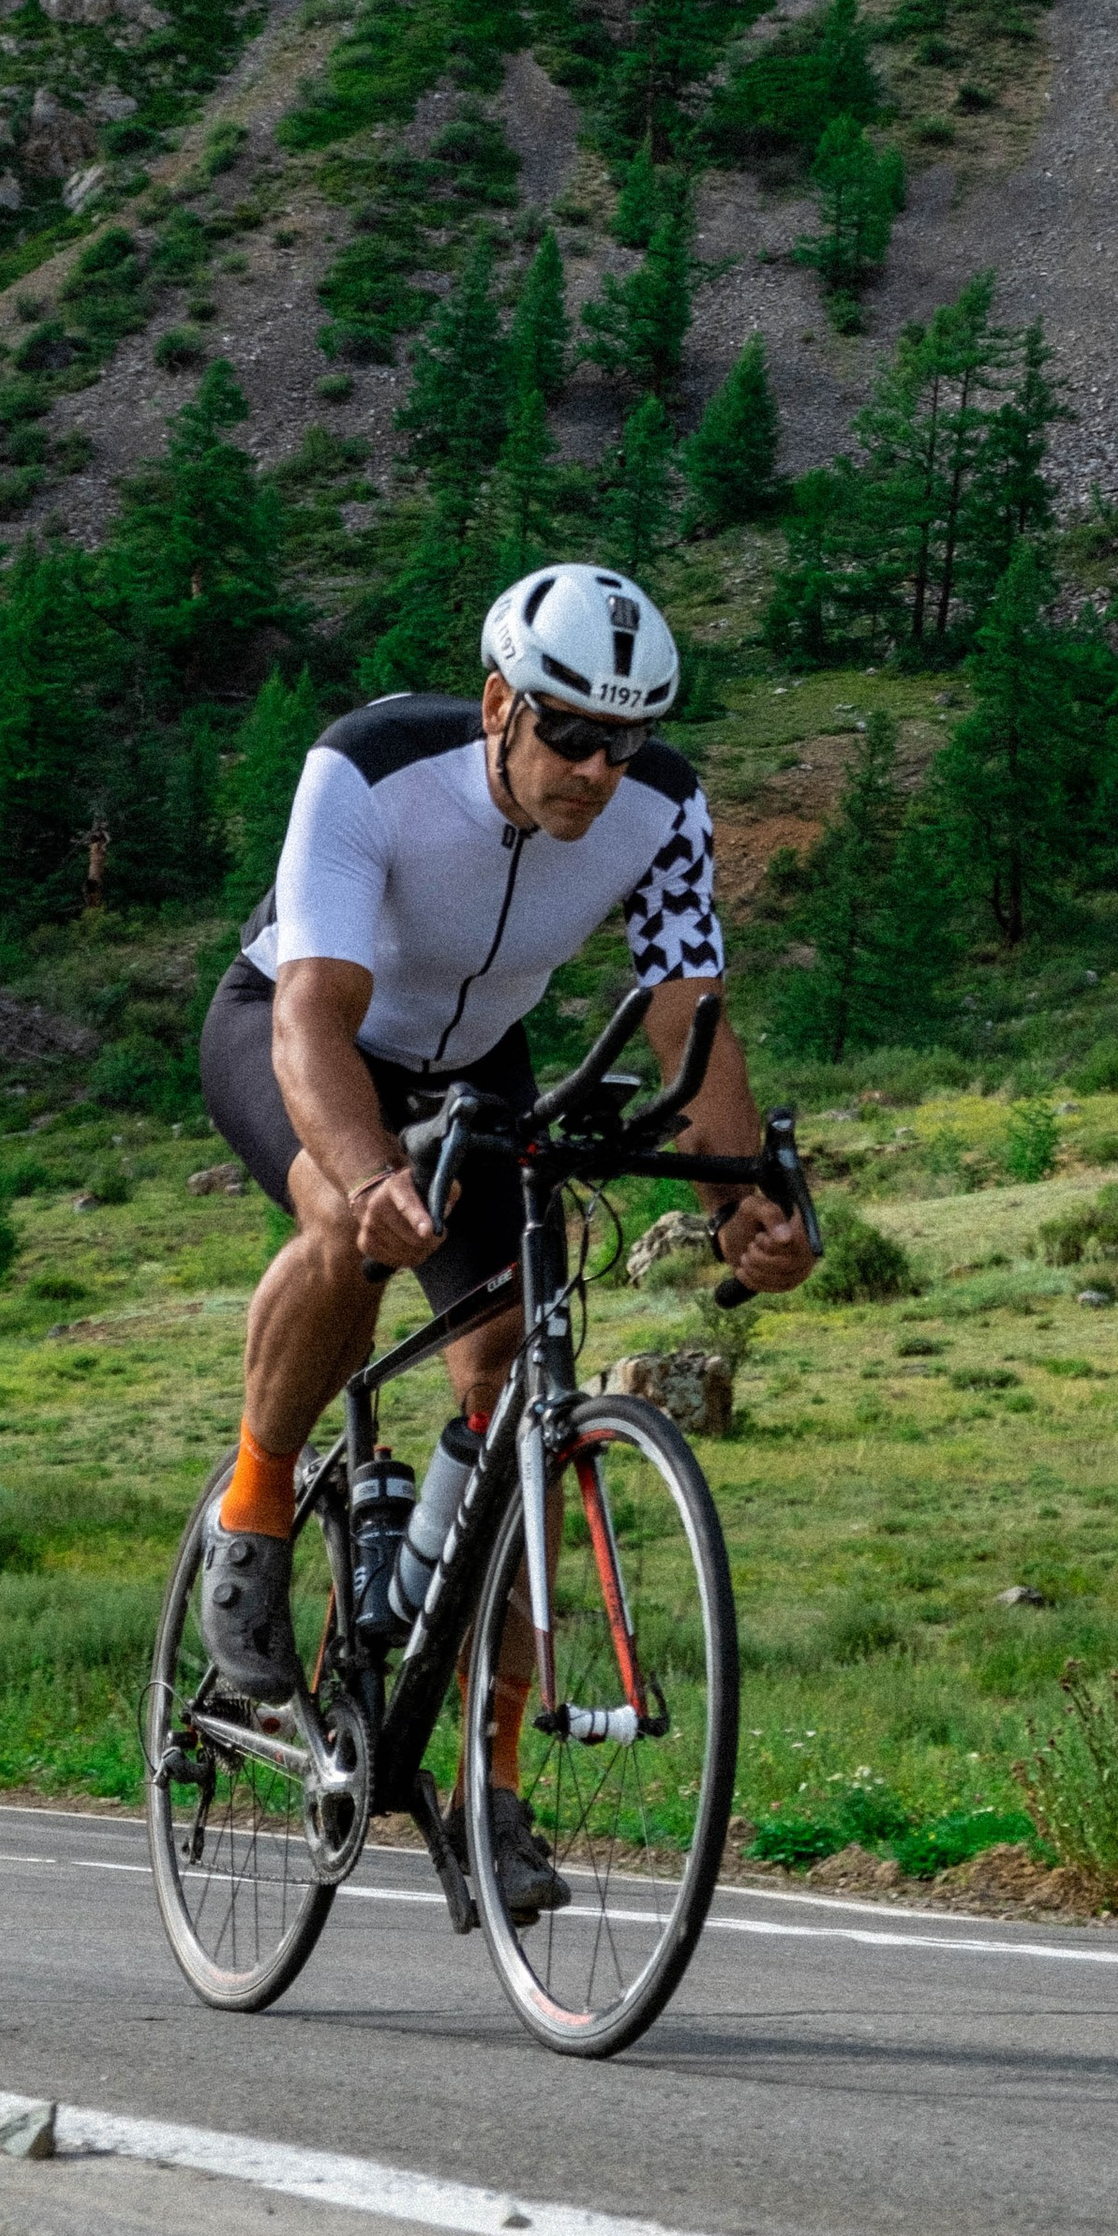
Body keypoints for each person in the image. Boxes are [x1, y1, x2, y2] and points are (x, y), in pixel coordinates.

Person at [195, 560, 815, 1921]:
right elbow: (310, 1017)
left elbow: (686, 1011)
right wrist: (365, 1174)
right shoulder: (369, 771)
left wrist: (738, 1201)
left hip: (475, 1063)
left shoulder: (662, 807)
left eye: (626, 739)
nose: (599, 769)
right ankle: (253, 1511)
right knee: (339, 1223)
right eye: (572, 734)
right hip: (306, 1032)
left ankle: (486, 1780)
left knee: (511, 1371)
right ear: (500, 706)